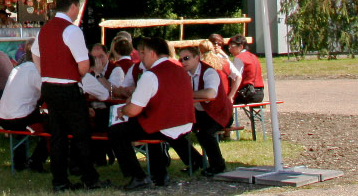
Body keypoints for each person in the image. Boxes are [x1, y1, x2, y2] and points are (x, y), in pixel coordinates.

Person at [31, 0, 106, 192]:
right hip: (68, 86)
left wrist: (44, 73)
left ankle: (60, 181)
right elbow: (83, 65)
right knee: (81, 134)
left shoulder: (45, 29)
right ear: (73, 6)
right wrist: (76, 74)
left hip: (49, 86)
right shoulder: (72, 30)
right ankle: (89, 178)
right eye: (77, 8)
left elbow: (35, 53)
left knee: (57, 136)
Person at [108, 37, 195, 190]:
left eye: (143, 53)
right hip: (184, 123)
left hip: (164, 125)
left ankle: (138, 176)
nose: (141, 57)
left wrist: (123, 111)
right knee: (147, 124)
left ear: (152, 53)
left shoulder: (150, 75)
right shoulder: (181, 70)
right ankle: (160, 173)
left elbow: (133, 110)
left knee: (116, 131)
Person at [171, 45, 229, 177]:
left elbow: (210, 94)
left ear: (197, 58)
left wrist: (188, 94)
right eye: (181, 60)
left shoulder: (209, 72)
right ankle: (195, 160)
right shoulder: (185, 74)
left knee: (205, 133)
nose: (183, 62)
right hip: (200, 113)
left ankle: (218, 165)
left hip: (219, 113)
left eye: (186, 58)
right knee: (173, 130)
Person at [0, 59, 48, 172]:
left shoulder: (17, 69)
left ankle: (19, 161)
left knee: (24, 124)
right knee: (53, 127)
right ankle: (36, 161)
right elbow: (47, 92)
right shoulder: (35, 71)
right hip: (19, 119)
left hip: (3, 117)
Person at [226, 35, 264, 103]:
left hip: (247, 94)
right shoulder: (254, 56)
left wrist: (231, 95)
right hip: (260, 94)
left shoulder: (239, 58)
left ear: (241, 47)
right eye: (229, 47)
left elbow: (236, 78)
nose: (229, 49)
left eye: (232, 46)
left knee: (224, 100)